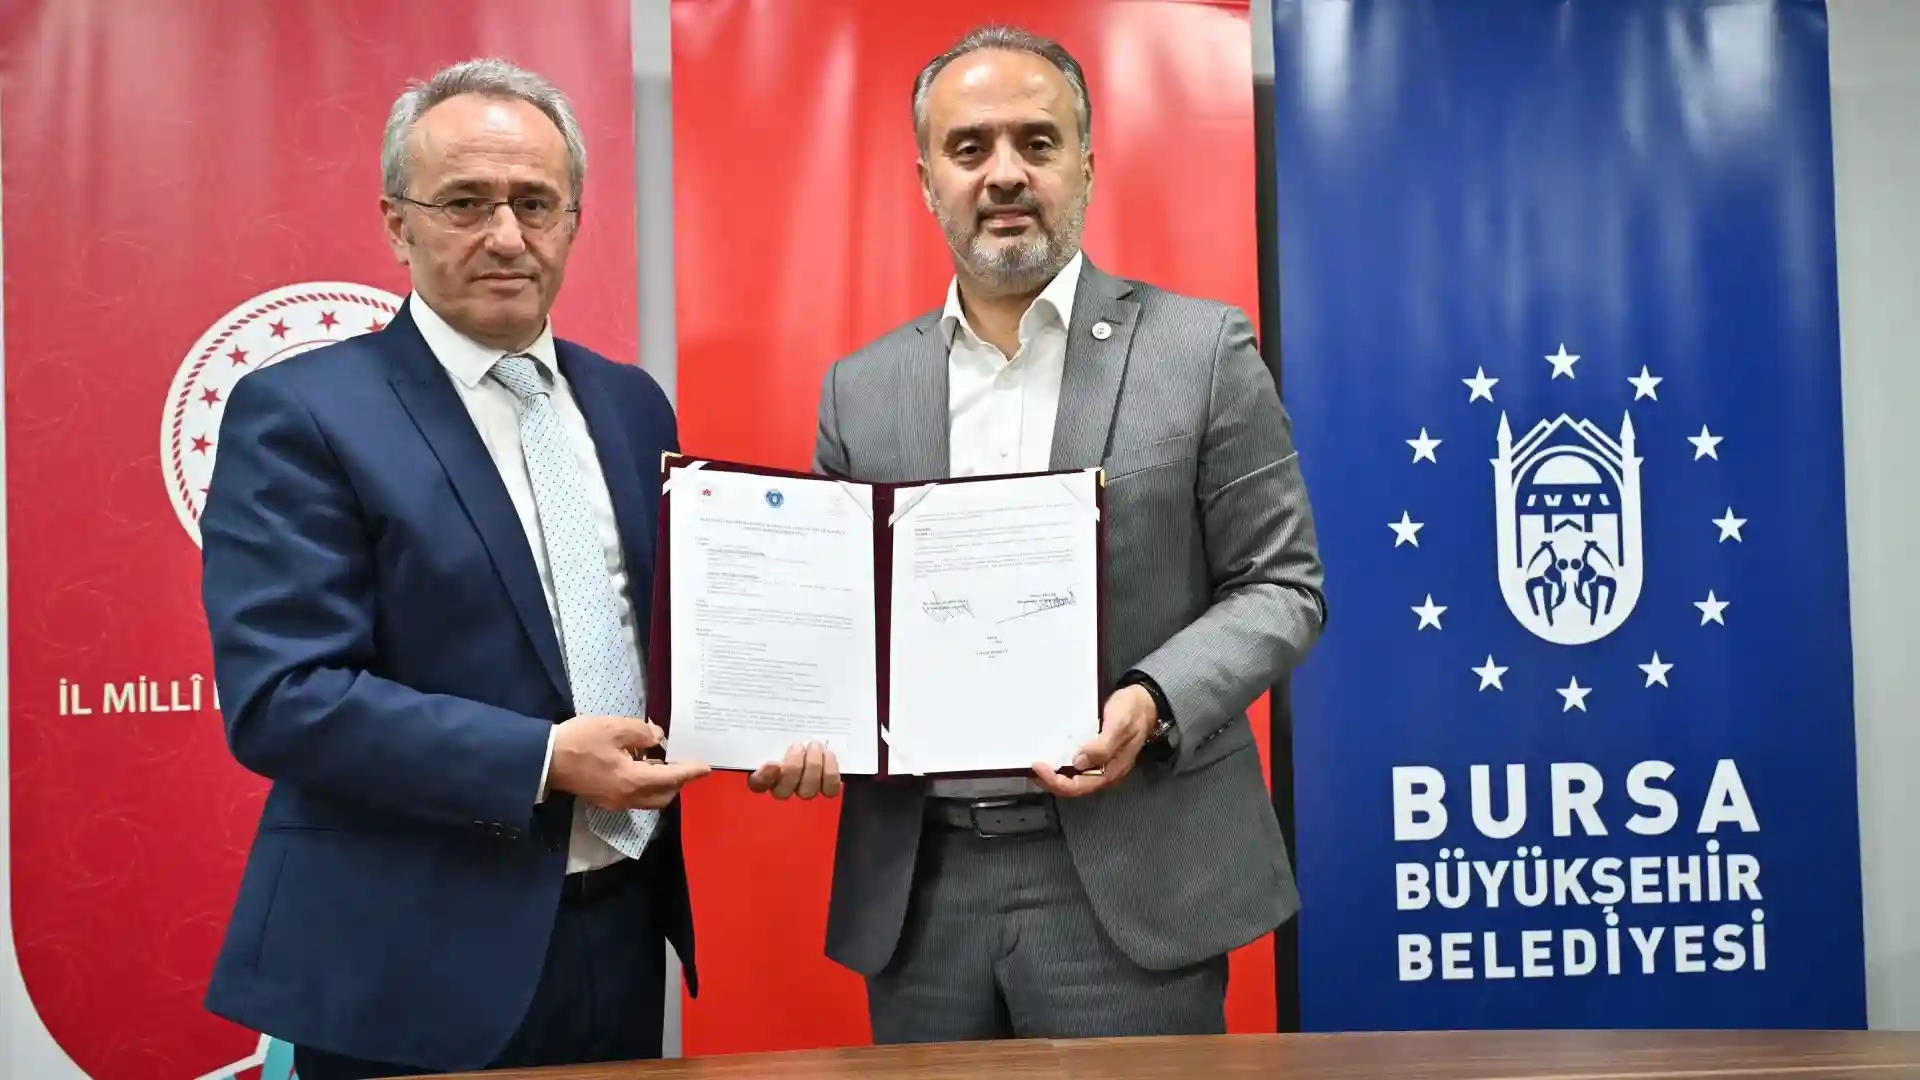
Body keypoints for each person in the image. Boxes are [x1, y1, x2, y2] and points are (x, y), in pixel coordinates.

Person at [756, 25, 1328, 1041]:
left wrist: (1152, 700)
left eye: (1037, 141)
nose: (1006, 174)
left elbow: (1283, 586)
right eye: (969, 147)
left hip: (1135, 876)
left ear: (1087, 165)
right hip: (922, 892)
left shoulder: (1201, 351)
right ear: (927, 180)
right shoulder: (862, 389)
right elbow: (838, 627)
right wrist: (790, 718)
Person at [198, 59, 709, 1079]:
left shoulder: (631, 405)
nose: (507, 236)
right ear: (398, 223)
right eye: (466, 203)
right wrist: (543, 759)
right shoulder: (301, 413)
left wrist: (775, 725)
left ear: (574, 219)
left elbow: (669, 639)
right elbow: (285, 699)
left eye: (536, 203)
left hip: (619, 930)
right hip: (405, 960)